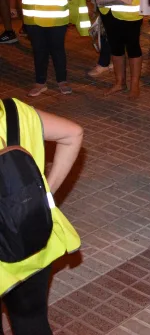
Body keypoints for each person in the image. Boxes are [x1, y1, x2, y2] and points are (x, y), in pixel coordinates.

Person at [0, 98, 82, 335]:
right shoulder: (16, 111)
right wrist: (44, 197)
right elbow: (73, 133)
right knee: (32, 323)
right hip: (32, 239)